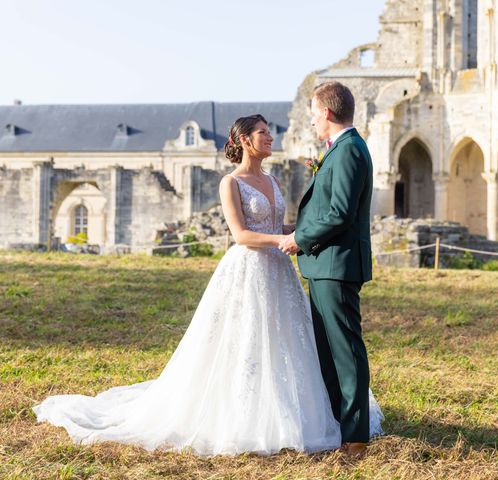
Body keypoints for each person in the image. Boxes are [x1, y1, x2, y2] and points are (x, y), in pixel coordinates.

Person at [33, 114, 382, 456]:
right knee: (243, 341)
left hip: (279, 269)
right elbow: (241, 234)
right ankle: (244, 414)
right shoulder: (230, 182)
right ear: (245, 140)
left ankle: (296, 408)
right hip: (249, 267)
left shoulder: (273, 181)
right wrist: (283, 240)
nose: (269, 137)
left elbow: (281, 223)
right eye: (263, 133)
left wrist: (298, 234)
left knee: (287, 340)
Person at [279, 81, 375, 455]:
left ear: (328, 113)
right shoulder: (338, 150)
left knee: (345, 352)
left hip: (336, 266)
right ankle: (339, 427)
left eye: (315, 113)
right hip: (325, 264)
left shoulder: (349, 151)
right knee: (329, 351)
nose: (313, 120)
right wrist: (296, 228)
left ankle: (355, 438)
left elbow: (340, 213)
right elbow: (328, 209)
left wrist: (299, 240)